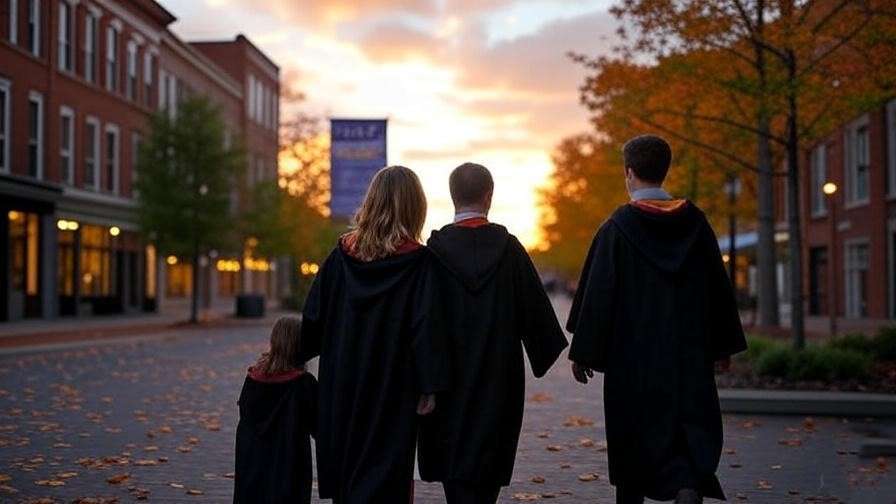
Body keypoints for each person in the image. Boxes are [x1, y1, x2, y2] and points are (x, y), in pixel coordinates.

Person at [567, 135, 747, 504]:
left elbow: (599, 296)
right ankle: (686, 487)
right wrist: (721, 346)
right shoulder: (696, 223)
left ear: (629, 173)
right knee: (686, 429)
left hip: (632, 360)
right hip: (687, 355)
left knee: (633, 437)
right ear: (665, 171)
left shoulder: (617, 228)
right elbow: (717, 288)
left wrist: (583, 351)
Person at [418, 162, 569, 504]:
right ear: (489, 197)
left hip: (446, 380)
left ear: (452, 196)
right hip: (498, 378)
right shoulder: (510, 250)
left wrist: (423, 378)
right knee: (489, 469)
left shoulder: (433, 254)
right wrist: (551, 351)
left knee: (453, 469)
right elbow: (537, 316)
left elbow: (421, 320)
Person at [299, 165, 450, 504]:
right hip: (392, 388)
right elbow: (426, 328)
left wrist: (292, 360)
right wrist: (430, 384)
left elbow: (311, 321)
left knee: (347, 470)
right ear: (416, 208)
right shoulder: (421, 264)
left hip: (342, 383)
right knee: (386, 477)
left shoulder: (340, 259)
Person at [234, 316, 317, 504]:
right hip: (289, 467)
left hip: (252, 465)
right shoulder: (303, 384)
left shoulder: (253, 379)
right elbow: (319, 426)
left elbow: (245, 417)